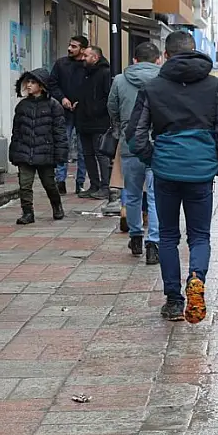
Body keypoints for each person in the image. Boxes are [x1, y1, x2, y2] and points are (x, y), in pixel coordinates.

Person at [126, 30, 218, 324]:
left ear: (166, 55)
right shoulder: (213, 86)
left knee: (168, 236)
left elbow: (135, 135)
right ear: (195, 51)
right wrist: (217, 164)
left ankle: (174, 300)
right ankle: (196, 278)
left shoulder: (153, 87)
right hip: (201, 171)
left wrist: (155, 159)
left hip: (166, 171)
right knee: (199, 235)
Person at [107, 42, 161, 264]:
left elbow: (111, 107)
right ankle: (153, 243)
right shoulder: (164, 79)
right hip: (158, 141)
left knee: (132, 193)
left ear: (135, 60)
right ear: (158, 60)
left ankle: (135, 236)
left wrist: (122, 127)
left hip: (130, 141)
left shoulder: (120, 80)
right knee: (156, 195)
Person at [9, 68, 67, 224]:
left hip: (45, 152)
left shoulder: (53, 106)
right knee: (24, 185)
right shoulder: (22, 106)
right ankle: (28, 213)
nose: (28, 85)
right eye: (27, 82)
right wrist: (13, 152)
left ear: (41, 86)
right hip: (24, 151)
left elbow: (60, 132)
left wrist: (60, 155)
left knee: (49, 184)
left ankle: (57, 205)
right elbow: (16, 131)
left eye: (32, 82)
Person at [47, 35, 88, 194]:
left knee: (83, 149)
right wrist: (62, 98)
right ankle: (60, 181)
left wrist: (82, 102)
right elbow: (52, 83)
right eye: (70, 45)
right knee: (62, 145)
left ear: (83, 49)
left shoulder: (87, 66)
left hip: (83, 113)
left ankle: (80, 183)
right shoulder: (61, 64)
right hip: (64, 112)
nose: (70, 48)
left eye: (74, 46)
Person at [73, 45, 113, 200]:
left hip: (99, 122)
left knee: (100, 154)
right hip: (84, 121)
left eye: (86, 56)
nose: (83, 58)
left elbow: (107, 97)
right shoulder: (84, 73)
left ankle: (105, 186)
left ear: (95, 58)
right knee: (87, 154)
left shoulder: (105, 73)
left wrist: (95, 109)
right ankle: (94, 185)